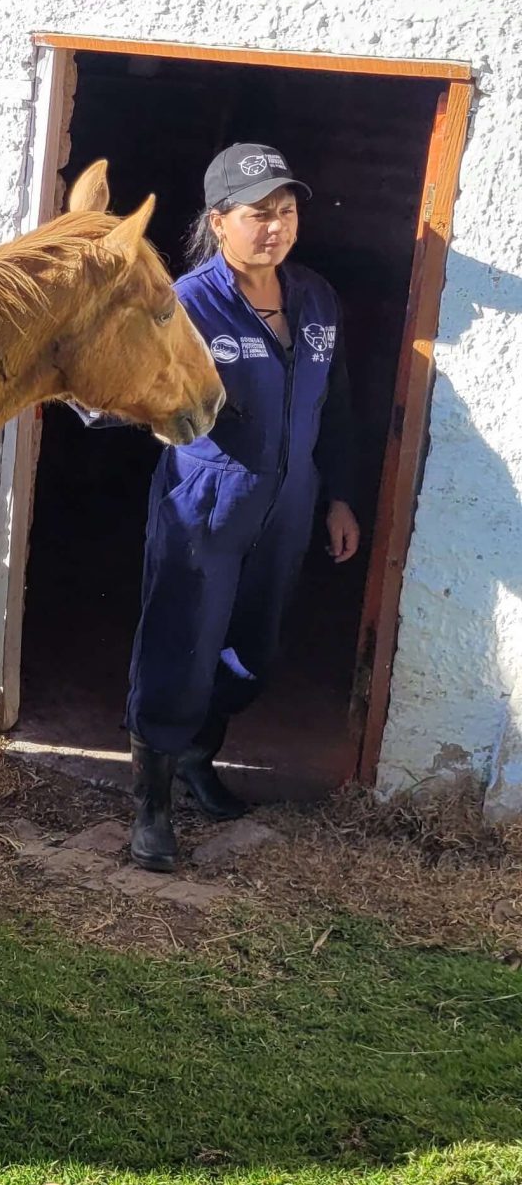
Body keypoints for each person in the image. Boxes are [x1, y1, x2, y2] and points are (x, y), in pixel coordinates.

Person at [127, 143, 361, 869]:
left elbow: (338, 407)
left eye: (286, 213)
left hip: (288, 509)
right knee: (180, 648)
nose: (276, 227)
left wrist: (340, 495)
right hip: (206, 505)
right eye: (259, 214)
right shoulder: (186, 303)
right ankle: (151, 808)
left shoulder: (316, 298)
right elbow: (130, 390)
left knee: (252, 652)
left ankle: (200, 757)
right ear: (220, 220)